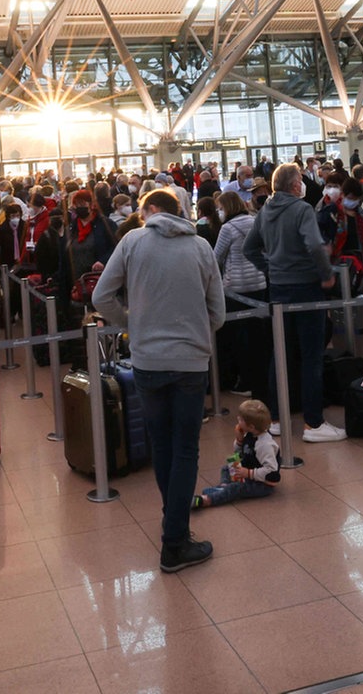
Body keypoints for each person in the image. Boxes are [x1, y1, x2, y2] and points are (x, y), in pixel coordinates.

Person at [90, 187, 225, 573]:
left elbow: (102, 296)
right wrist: (197, 330)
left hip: (147, 360)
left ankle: (174, 519)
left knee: (162, 444)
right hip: (191, 362)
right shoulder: (200, 247)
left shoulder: (133, 241)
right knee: (186, 447)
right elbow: (218, 311)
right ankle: (175, 540)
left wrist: (133, 322)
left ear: (148, 212)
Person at [243, 163, 343, 443]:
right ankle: (313, 423)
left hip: (278, 289)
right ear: (294, 185)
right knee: (311, 355)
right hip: (306, 288)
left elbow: (248, 248)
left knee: (280, 354)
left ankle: (275, 418)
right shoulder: (302, 210)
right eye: (300, 179)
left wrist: (270, 268)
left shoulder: (265, 211)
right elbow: (313, 244)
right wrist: (325, 274)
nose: (302, 184)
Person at [214, 192, 269, 402]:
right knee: (257, 335)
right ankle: (259, 381)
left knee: (239, 337)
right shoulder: (255, 221)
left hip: (235, 287)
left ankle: (245, 380)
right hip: (258, 282)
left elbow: (216, 256)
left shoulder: (227, 229)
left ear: (226, 207)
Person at [192, 401, 281, 510]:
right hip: (249, 472)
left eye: (241, 419)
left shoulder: (264, 444)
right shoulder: (250, 434)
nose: (238, 419)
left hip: (262, 483)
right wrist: (239, 440)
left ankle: (205, 500)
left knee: (236, 488)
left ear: (251, 426)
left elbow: (271, 472)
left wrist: (249, 473)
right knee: (226, 468)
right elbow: (240, 454)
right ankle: (223, 488)